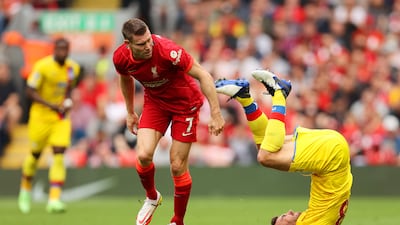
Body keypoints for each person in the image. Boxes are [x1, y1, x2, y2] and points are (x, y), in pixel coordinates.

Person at [112, 18, 225, 225]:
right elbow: (125, 78)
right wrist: (130, 112)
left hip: (185, 105)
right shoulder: (120, 58)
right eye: (141, 44)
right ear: (127, 45)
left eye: (148, 40)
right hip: (155, 103)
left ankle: (177, 220)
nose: (147, 46)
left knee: (177, 165)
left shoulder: (167, 51)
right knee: (144, 155)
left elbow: (203, 74)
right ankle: (152, 197)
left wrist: (216, 113)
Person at [215, 69, 353, 225]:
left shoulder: (309, 218)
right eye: (284, 218)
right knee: (265, 157)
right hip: (331, 156)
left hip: (332, 151)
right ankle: (280, 93)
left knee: (266, 147)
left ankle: (245, 98)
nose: (289, 212)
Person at [18, 37, 81, 214]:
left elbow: (69, 87)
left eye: (65, 49)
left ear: (68, 50)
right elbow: (29, 90)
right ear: (54, 50)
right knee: (35, 154)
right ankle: (25, 190)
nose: (62, 52)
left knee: (59, 154)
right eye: (59, 49)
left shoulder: (72, 68)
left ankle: (54, 199)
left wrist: (68, 100)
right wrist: (50, 104)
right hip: (40, 117)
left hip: (60, 117)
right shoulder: (42, 66)